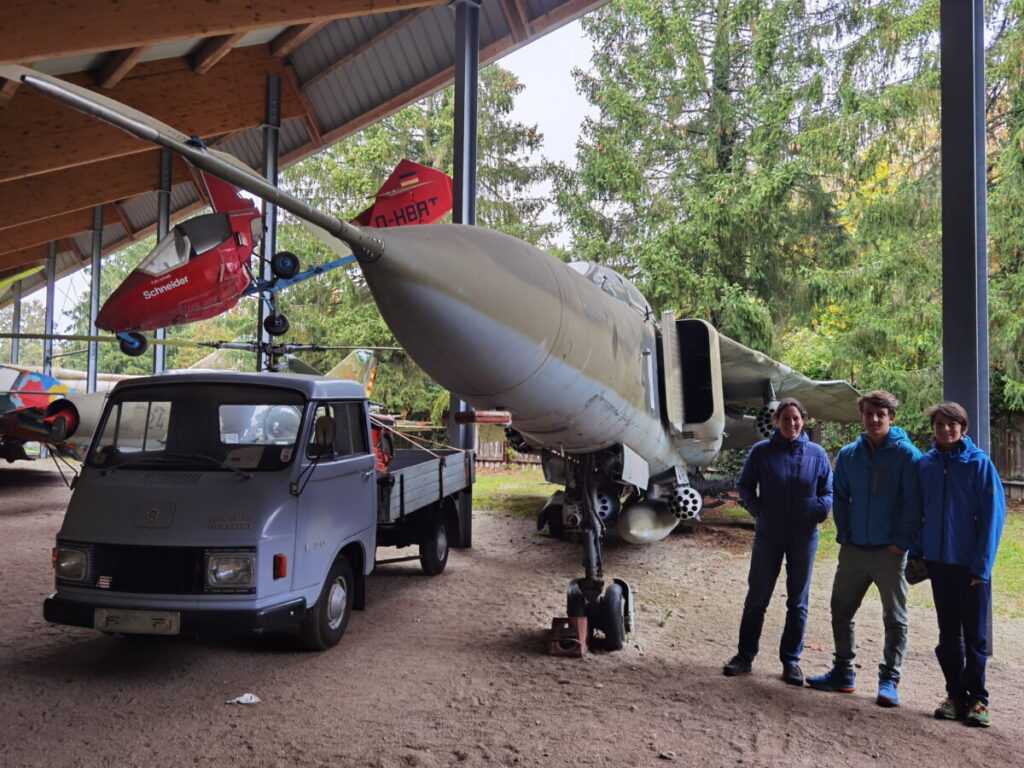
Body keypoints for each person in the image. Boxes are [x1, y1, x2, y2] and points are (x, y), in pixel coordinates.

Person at [807, 390, 921, 708]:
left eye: (880, 415)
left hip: (890, 552)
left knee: (895, 619)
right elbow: (839, 497)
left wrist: (901, 543)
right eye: (869, 413)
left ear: (891, 418)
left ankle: (889, 680)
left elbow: (914, 504)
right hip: (854, 549)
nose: (874, 420)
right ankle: (843, 672)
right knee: (840, 612)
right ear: (862, 416)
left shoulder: (908, 456)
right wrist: (845, 533)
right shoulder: (848, 456)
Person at [723, 398, 833, 686]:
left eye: (796, 418)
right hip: (768, 535)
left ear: (803, 420)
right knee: (757, 598)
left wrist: (818, 511)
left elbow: (828, 490)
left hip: (804, 536)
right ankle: (744, 656)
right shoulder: (761, 452)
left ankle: (791, 661)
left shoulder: (817, 454)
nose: (792, 423)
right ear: (776, 422)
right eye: (786, 419)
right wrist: (759, 511)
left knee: (798, 602)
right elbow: (745, 486)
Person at [916, 401, 1005, 727]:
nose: (946, 429)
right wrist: (917, 552)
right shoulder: (925, 464)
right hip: (939, 564)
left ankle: (978, 700)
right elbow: (919, 510)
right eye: (940, 424)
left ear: (963, 428)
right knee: (948, 635)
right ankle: (954, 695)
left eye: (952, 424)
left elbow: (995, 517)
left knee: (975, 639)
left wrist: (981, 568)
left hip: (971, 568)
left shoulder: (979, 464)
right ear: (934, 429)